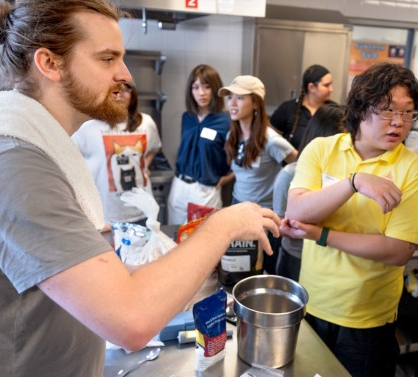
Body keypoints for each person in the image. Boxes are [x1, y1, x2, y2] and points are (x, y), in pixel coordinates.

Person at [0, 1, 279, 376]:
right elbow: (132, 320)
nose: (126, 75)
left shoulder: (29, 149)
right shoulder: (10, 164)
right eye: (107, 59)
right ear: (49, 63)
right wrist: (224, 225)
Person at [281, 62, 418, 377]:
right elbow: (297, 211)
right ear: (360, 109)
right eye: (388, 111)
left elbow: (398, 251)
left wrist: (321, 234)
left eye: (407, 113)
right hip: (311, 301)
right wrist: (354, 182)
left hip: (367, 317)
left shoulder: (413, 169)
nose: (398, 123)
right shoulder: (322, 148)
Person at [219, 75, 297, 274]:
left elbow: (297, 167)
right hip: (238, 205)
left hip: (264, 214)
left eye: (240, 98)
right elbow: (244, 170)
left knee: (262, 268)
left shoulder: (271, 140)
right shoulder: (232, 135)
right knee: (239, 266)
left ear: (255, 103)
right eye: (230, 97)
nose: (232, 103)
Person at [72, 82, 162, 226]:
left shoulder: (146, 123)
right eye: (114, 90)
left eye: (125, 89)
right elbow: (71, 160)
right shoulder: (86, 126)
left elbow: (153, 149)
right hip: (105, 213)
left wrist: (145, 166)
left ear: (133, 94)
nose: (120, 93)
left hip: (142, 211)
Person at [272, 103, 345, 281]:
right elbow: (277, 225)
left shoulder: (347, 175)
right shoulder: (290, 174)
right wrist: (308, 230)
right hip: (296, 258)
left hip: (335, 259)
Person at [167, 64, 232, 225]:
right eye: (195, 87)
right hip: (180, 185)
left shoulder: (226, 121)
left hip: (206, 189)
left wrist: (228, 177)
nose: (201, 93)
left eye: (207, 87)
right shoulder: (187, 117)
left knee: (204, 240)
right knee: (175, 238)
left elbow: (242, 157)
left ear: (215, 89)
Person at [270, 64, 335, 149]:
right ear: (311, 87)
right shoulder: (287, 109)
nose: (331, 89)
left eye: (331, 85)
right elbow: (271, 139)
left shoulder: (334, 111)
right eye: (326, 85)